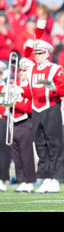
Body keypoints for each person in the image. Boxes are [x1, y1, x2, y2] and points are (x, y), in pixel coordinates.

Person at [24, 39, 64, 193]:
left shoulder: (55, 69)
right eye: (36, 53)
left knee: (54, 144)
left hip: (51, 108)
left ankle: (55, 178)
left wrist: (53, 87)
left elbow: (62, 91)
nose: (37, 56)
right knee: (40, 145)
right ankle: (45, 177)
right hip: (37, 109)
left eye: (40, 53)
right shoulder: (30, 71)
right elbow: (29, 93)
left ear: (47, 54)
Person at [10, 57, 35, 192]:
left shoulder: (31, 86)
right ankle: (21, 180)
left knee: (26, 153)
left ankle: (29, 181)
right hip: (12, 121)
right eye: (20, 70)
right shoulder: (15, 85)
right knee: (16, 154)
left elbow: (31, 108)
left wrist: (17, 103)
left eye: (24, 70)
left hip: (25, 121)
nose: (21, 72)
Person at [0, 61, 10, 192]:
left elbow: (7, 106)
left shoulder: (6, 88)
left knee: (3, 151)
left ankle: (2, 178)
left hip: (2, 121)